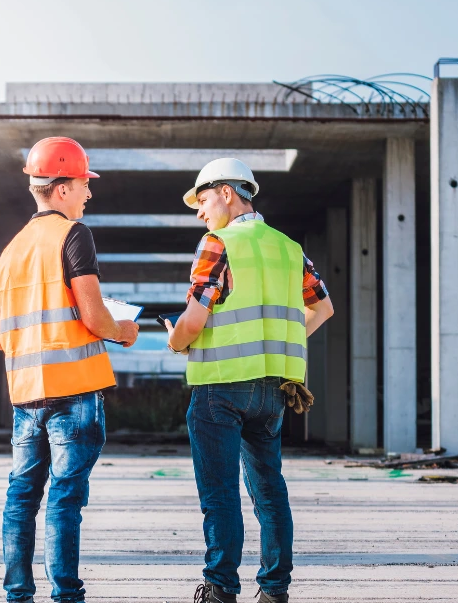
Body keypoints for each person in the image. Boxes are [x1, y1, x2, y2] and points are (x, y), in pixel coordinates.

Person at [163, 158, 334, 603]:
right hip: (272, 390)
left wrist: (176, 342)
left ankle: (220, 588)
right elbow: (322, 309)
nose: (200, 212)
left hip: (221, 387)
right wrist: (277, 343)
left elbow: (195, 318)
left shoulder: (217, 243)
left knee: (220, 493)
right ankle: (275, 590)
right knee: (269, 490)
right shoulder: (289, 247)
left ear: (226, 192)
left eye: (202, 200)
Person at [0, 136, 139, 603]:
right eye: (82, 184)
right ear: (60, 189)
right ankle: (66, 595)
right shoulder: (74, 236)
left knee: (21, 499)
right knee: (65, 500)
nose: (88, 194)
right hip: (74, 393)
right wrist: (123, 331)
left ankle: (18, 594)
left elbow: (1, 336)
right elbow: (95, 318)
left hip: (25, 397)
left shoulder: (11, 251)